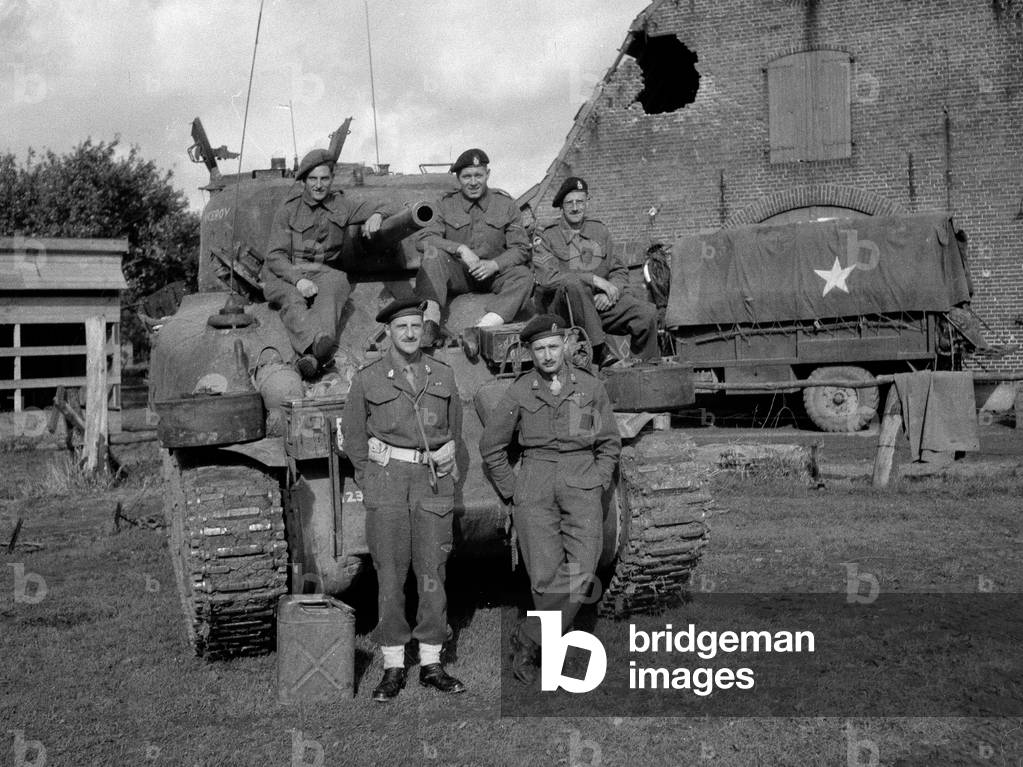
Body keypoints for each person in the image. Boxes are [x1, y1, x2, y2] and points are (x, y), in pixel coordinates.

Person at [478, 314, 621, 683]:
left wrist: (600, 480)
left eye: (553, 347)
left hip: (581, 480)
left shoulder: (590, 388)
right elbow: (492, 446)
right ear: (530, 352)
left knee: (582, 569)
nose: (547, 355)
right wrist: (514, 490)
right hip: (535, 483)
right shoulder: (521, 391)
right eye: (539, 349)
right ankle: (549, 660)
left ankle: (528, 637)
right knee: (544, 577)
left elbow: (608, 443)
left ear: (566, 346)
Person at [341, 297, 466, 702]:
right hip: (389, 483)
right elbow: (354, 438)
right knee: (391, 575)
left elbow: (455, 432)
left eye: (416, 326)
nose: (410, 334)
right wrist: (373, 480)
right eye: (402, 327)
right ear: (389, 333)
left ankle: (432, 662)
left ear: (424, 331)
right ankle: (393, 665)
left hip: (432, 482)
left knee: (433, 571)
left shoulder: (443, 374)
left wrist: (446, 461)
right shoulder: (368, 378)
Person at [262, 148, 392, 379]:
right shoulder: (288, 210)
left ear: (332, 179)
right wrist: (298, 280)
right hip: (284, 272)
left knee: (338, 281)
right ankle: (315, 347)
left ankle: (316, 350)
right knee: (293, 299)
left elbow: (388, 204)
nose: (319, 185)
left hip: (320, 270)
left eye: (324, 178)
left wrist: (377, 214)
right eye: (313, 179)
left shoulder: (341, 204)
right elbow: (275, 255)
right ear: (304, 181)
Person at [415, 148, 532, 357]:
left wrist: (494, 265)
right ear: (458, 179)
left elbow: (521, 248)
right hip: (458, 274)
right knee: (432, 254)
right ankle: (429, 323)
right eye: (466, 176)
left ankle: (480, 330)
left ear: (487, 174)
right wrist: (459, 249)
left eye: (478, 175)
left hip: (495, 275)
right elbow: (424, 239)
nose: (473, 182)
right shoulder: (445, 205)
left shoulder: (505, 204)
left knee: (524, 275)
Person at [532, 177, 659, 365]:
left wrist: (611, 293)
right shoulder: (546, 234)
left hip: (599, 306)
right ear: (561, 206)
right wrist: (593, 279)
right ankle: (600, 351)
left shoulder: (599, 230)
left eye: (580, 202)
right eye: (569, 203)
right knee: (574, 284)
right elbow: (548, 278)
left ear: (587, 202)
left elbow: (619, 270)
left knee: (646, 313)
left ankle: (644, 370)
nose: (575, 208)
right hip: (563, 311)